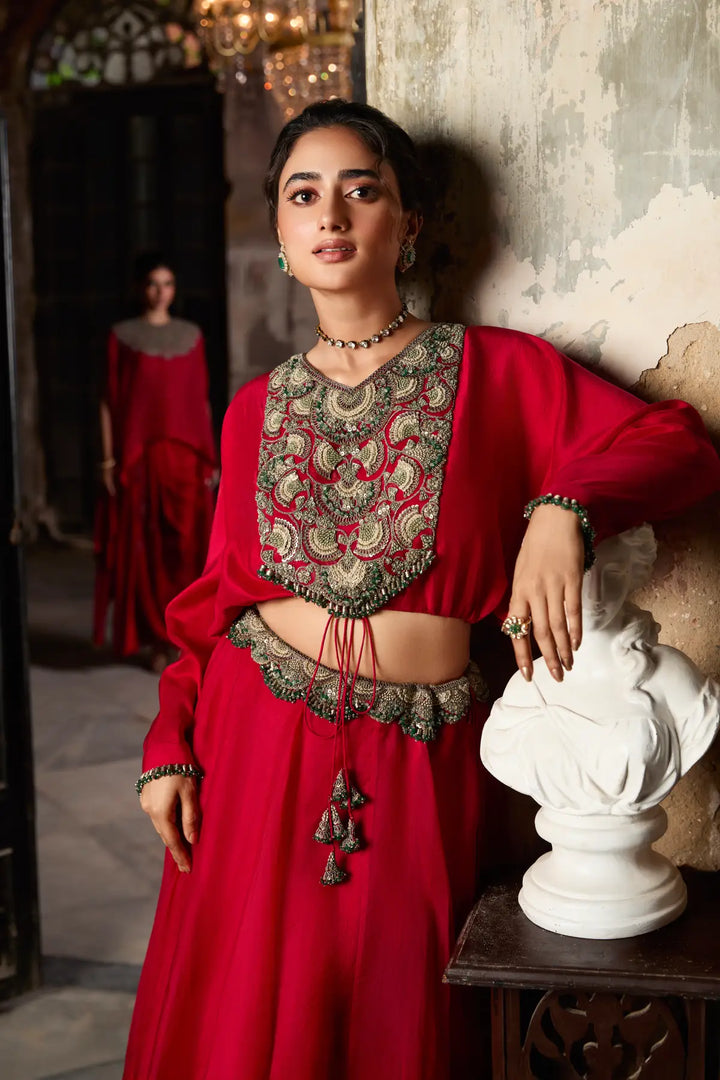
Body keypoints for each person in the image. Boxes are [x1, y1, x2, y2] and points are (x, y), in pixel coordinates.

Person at [123, 102, 720, 1080]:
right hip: (251, 740)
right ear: (278, 231)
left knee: (393, 1017)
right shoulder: (251, 411)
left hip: (416, 757)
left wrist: (564, 506)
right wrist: (167, 746)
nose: (332, 214)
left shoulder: (500, 372)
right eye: (302, 194)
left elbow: (676, 446)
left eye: (363, 190)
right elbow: (213, 603)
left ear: (410, 224)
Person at [93, 254, 217, 671]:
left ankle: (184, 636)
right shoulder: (122, 336)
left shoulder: (192, 336)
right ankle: (156, 641)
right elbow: (108, 401)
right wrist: (109, 459)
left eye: (167, 283)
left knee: (186, 550)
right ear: (140, 288)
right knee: (145, 554)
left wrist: (209, 459)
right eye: (152, 282)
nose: (160, 291)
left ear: (175, 289)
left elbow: (199, 401)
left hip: (185, 460)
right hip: (140, 460)